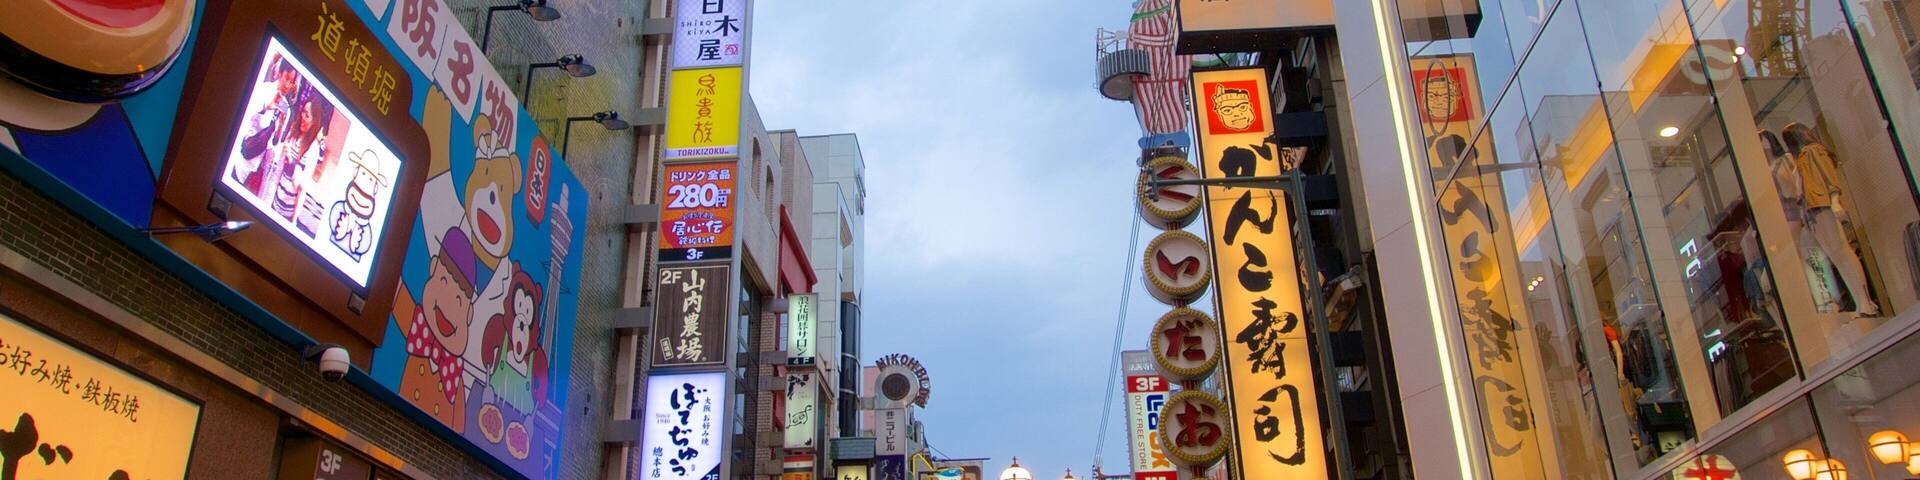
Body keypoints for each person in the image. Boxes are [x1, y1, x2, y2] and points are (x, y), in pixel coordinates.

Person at [1783, 123, 1880, 316]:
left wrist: (1835, 200)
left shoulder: (1812, 151)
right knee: (1831, 255)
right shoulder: (1800, 158)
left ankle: (1865, 303)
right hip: (1811, 211)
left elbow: (1829, 176)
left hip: (1821, 206)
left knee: (1841, 252)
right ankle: (1853, 302)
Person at [234, 57, 302, 195]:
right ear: (279, 74)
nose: (288, 85)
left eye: (291, 82)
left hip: (256, 173)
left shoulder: (286, 109)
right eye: (286, 78)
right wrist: (266, 108)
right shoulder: (263, 90)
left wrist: (280, 128)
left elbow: (273, 145)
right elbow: (246, 118)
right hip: (241, 161)